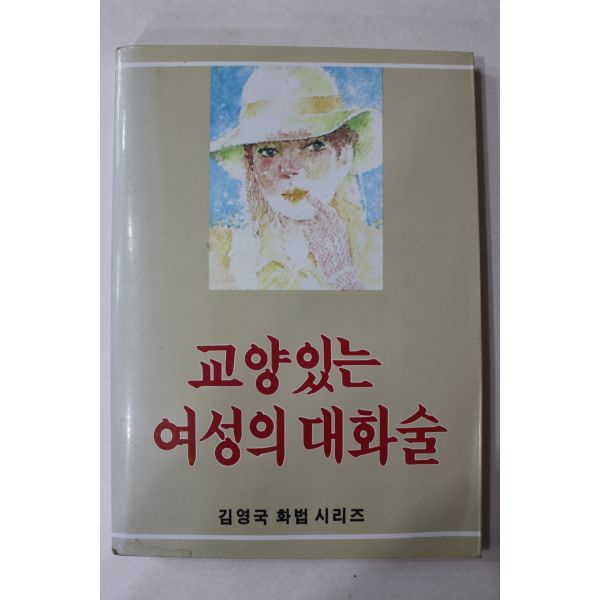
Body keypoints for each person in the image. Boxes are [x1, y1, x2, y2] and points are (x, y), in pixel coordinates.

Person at [209, 66, 382, 290]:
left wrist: (343, 278)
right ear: (251, 165)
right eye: (269, 151)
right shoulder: (225, 258)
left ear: (343, 156)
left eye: (314, 146)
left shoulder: (376, 251)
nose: (290, 169)